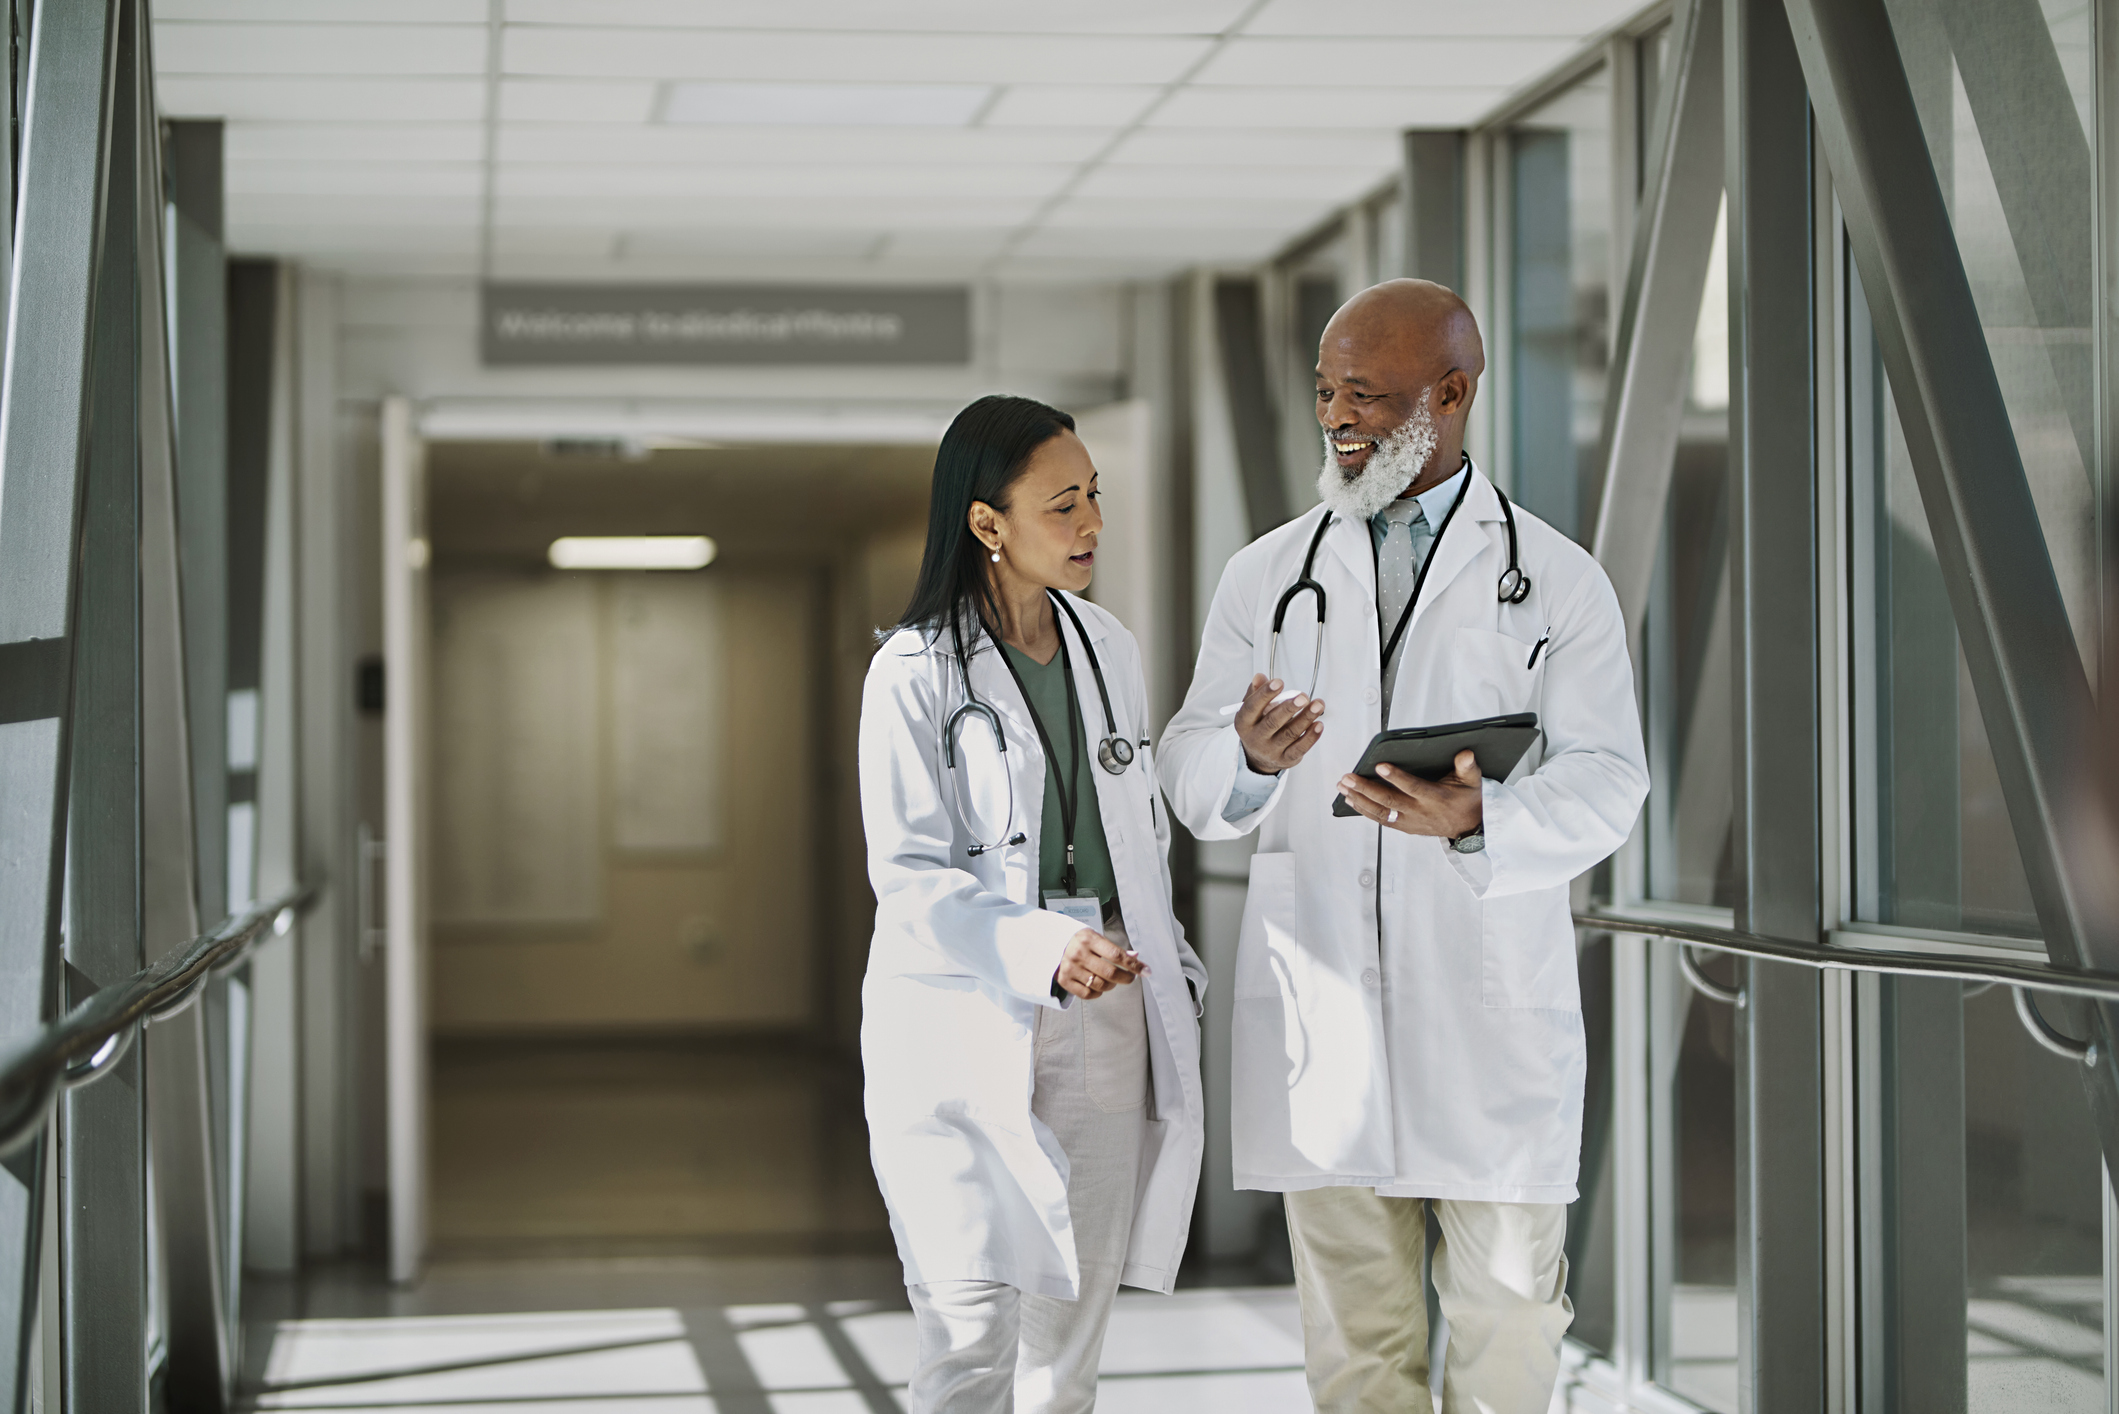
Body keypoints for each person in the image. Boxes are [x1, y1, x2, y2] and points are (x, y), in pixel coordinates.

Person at [1157, 280, 1648, 1411]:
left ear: (1453, 393)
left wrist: (1482, 818)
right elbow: (1187, 770)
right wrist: (1246, 759)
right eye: (1326, 390)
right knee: (1354, 1347)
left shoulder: (1556, 580)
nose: (1338, 416)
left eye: (1368, 395)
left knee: (1512, 1322)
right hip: (1324, 1017)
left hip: (1489, 1027)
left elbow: (1611, 779)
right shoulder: (1263, 574)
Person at [859, 394, 1207, 1413]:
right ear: (986, 523)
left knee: (1065, 1346)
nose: (1093, 523)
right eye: (1063, 504)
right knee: (970, 1334)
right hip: (964, 1013)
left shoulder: (1110, 648)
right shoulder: (912, 672)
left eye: (1094, 495)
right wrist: (1042, 944)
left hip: (1106, 1001)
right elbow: (911, 876)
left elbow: (1137, 839)